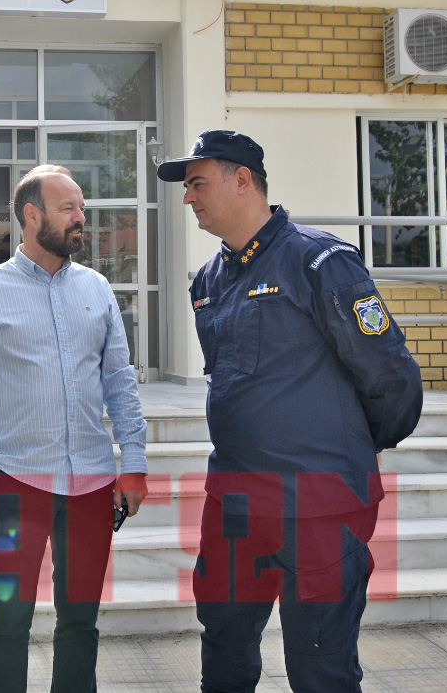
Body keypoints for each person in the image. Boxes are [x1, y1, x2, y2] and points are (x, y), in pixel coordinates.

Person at [156, 130, 423, 692]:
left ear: (242, 180)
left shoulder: (319, 261)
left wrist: (363, 444)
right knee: (224, 649)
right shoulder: (209, 279)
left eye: (197, 183)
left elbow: (389, 374)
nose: (188, 197)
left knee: (320, 663)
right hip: (235, 503)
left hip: (318, 504)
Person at [0, 164, 148, 692]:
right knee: (9, 621)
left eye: (82, 207)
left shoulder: (97, 289)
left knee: (80, 621)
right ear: (32, 215)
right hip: (14, 483)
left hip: (92, 484)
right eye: (69, 209)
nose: (81, 218)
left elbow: (120, 382)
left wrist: (134, 462)